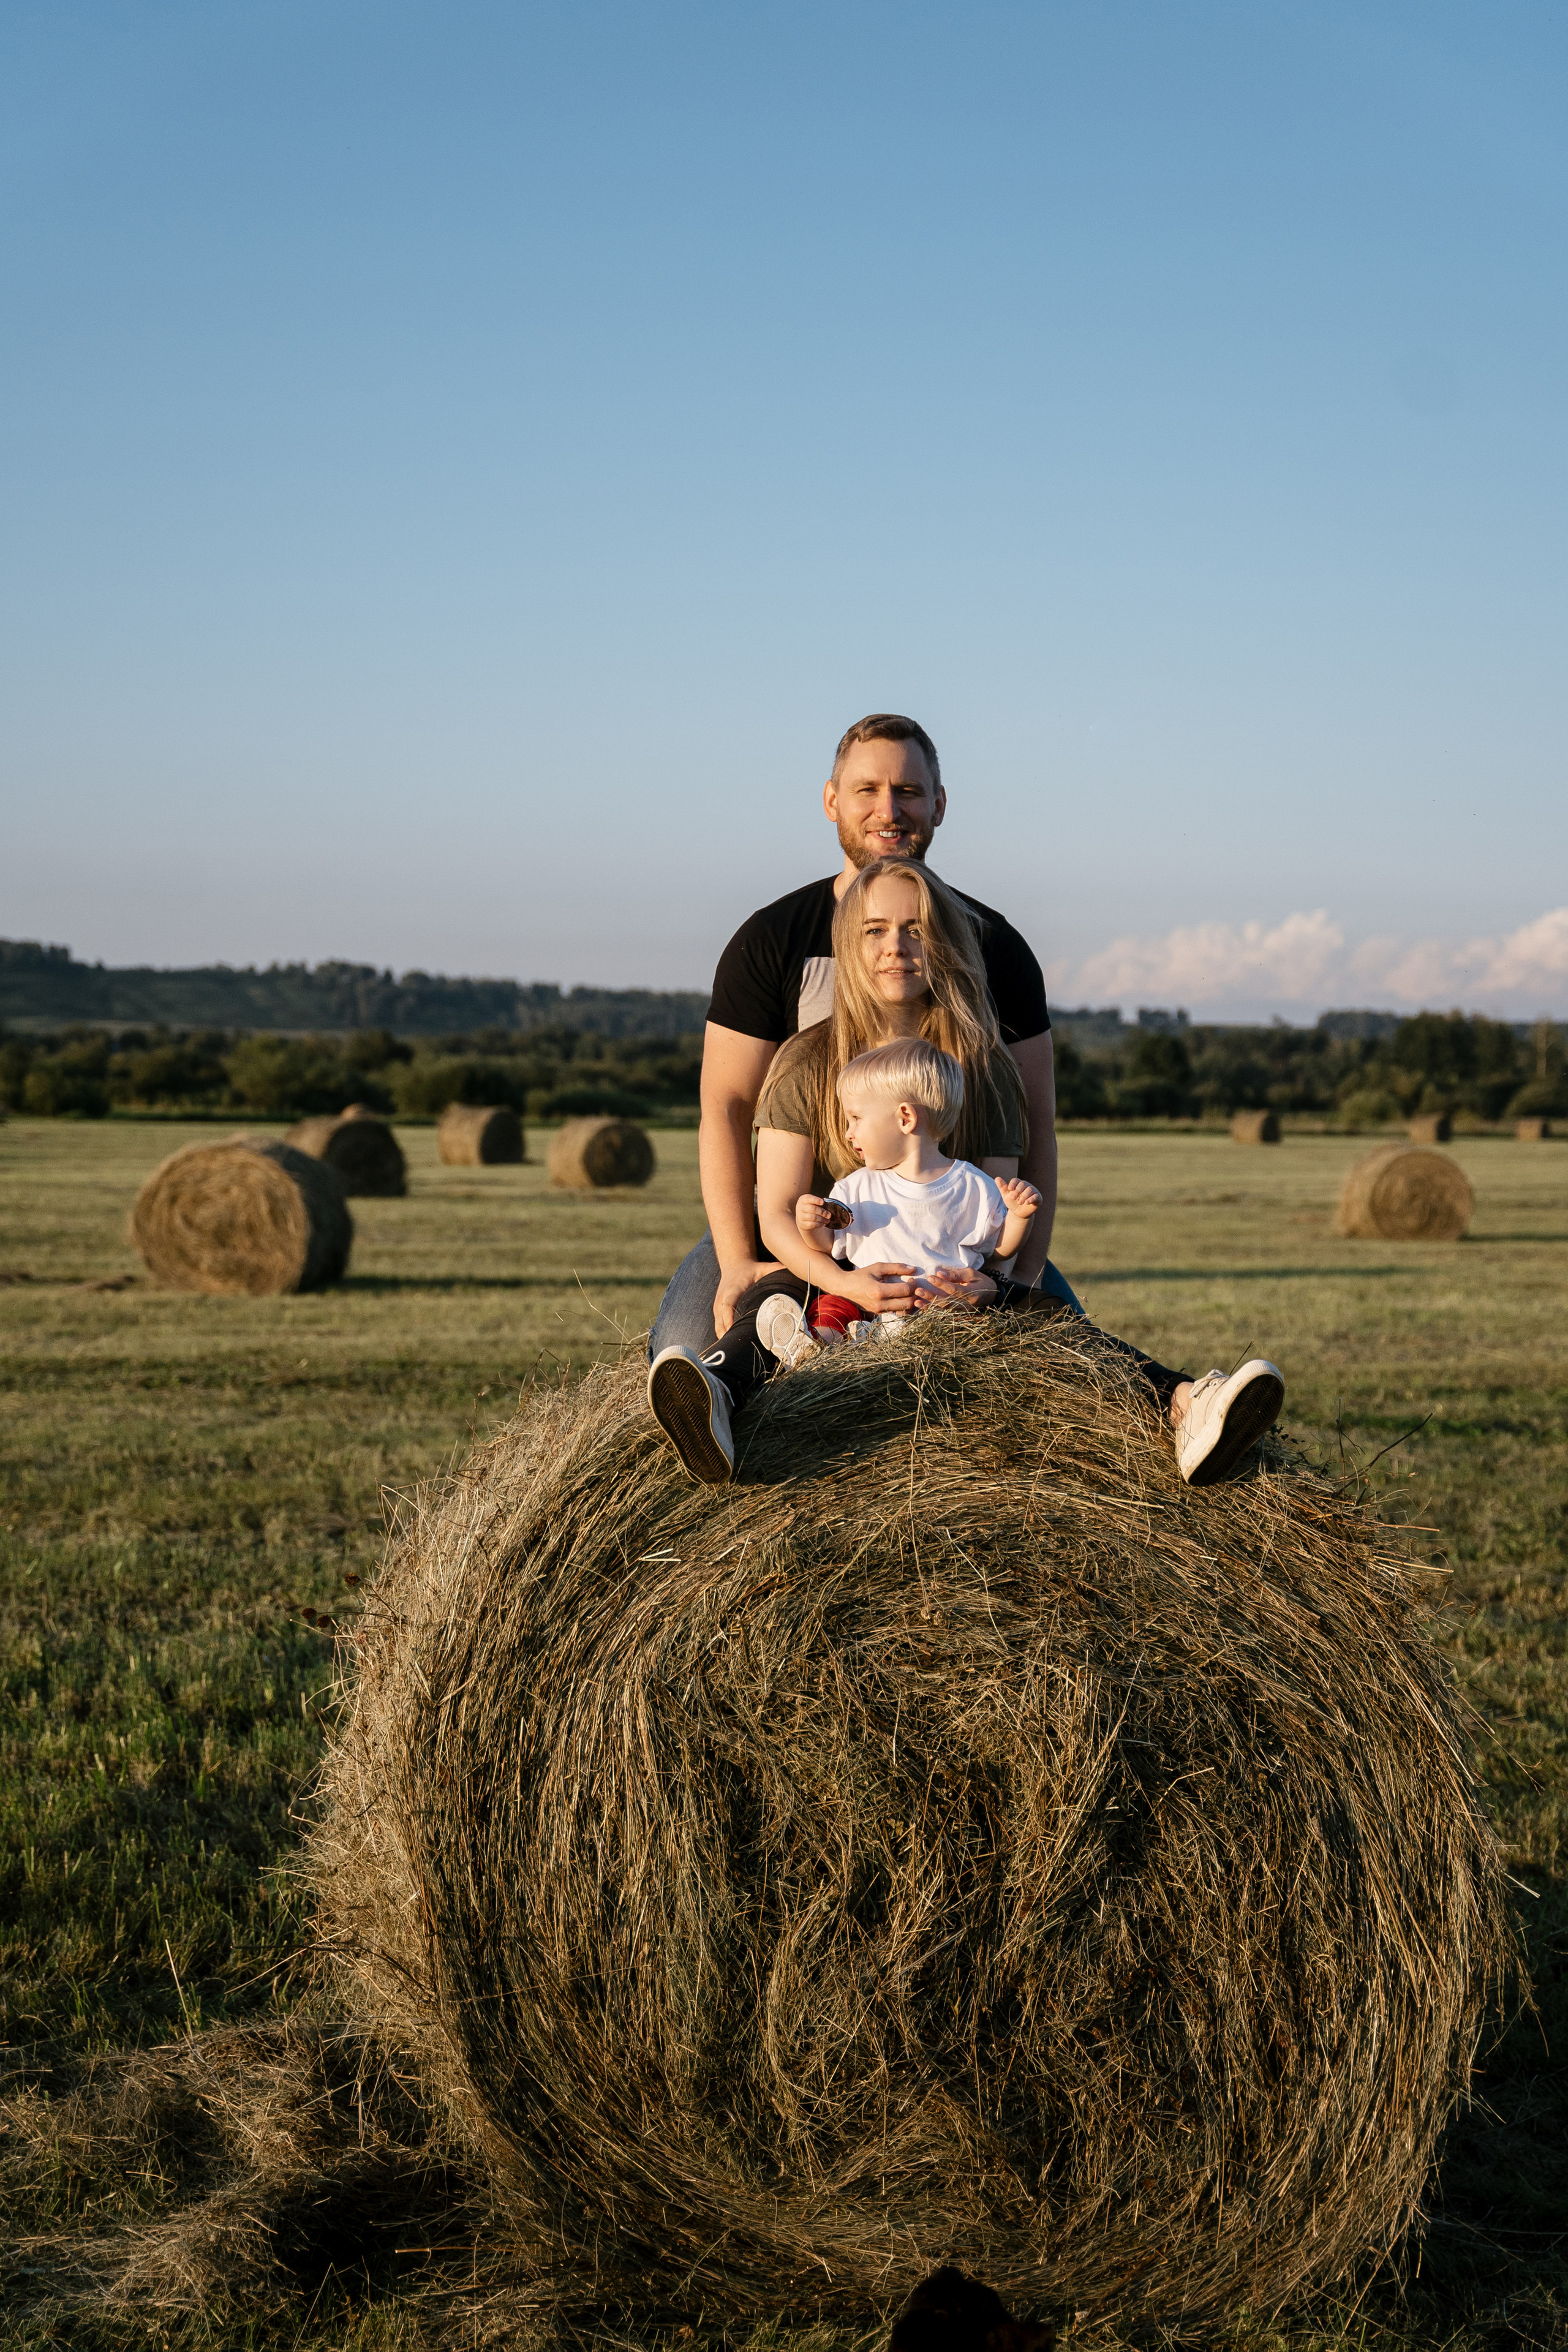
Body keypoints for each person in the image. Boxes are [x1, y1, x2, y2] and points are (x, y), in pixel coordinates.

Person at [646, 858, 1284, 1487]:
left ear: (944, 942)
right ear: (848, 943)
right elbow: (780, 1214)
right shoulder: (806, 1059)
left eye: (916, 928)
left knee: (1053, 1320)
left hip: (954, 1280)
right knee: (772, 1296)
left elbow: (994, 1218)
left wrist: (995, 1283)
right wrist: (850, 1283)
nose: (895, 946)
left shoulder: (985, 1068)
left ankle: (1185, 1404)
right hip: (840, 1272)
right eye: (873, 930)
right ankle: (717, 1397)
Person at [649, 710, 1070, 1362]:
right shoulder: (772, 941)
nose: (889, 810)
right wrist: (737, 1259)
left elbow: (1033, 1121)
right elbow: (727, 1108)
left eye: (907, 792)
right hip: (796, 1229)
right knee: (683, 1345)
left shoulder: (996, 950)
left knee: (1070, 1354)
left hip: (949, 1233)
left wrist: (1018, 1277)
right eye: (868, 790)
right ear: (831, 801)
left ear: (938, 805)